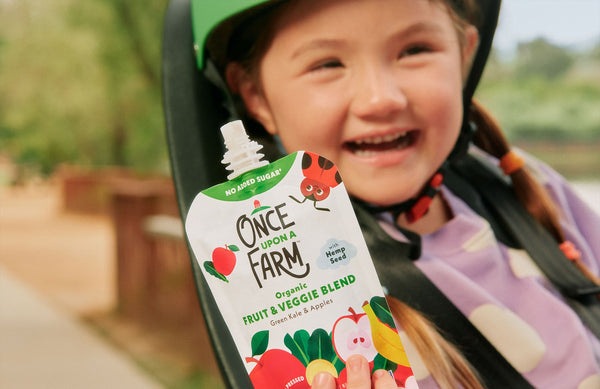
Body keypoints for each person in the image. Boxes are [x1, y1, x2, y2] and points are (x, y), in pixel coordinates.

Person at [190, 0, 600, 388]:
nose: (381, 98)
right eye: (328, 63)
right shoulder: (296, 297)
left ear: (463, 56)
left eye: (414, 50)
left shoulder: (526, 189)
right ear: (256, 96)